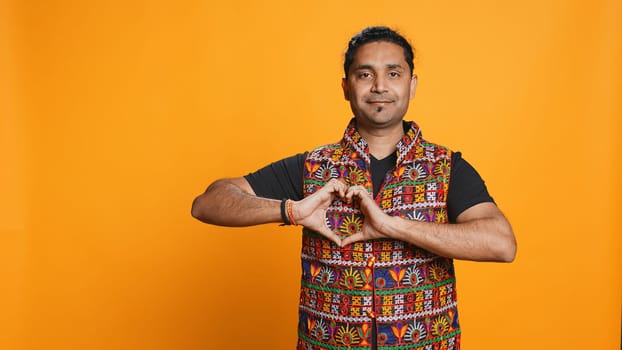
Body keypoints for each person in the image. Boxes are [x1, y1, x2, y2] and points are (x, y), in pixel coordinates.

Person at [192, 26, 516, 350]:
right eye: (365, 74)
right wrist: (291, 210)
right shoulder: (311, 167)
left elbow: (501, 244)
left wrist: (393, 226)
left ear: (412, 84)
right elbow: (208, 202)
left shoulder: (447, 168)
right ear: (346, 87)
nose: (379, 86)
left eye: (393, 73)